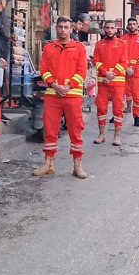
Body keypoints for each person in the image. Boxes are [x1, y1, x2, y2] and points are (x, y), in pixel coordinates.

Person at [32, 16, 88, 178]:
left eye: (66, 27)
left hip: (72, 96)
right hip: (52, 95)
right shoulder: (49, 48)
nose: (63, 30)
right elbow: (44, 70)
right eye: (60, 27)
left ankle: (77, 165)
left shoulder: (79, 48)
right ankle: (48, 164)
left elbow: (81, 72)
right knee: (49, 130)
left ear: (71, 29)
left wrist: (68, 86)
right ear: (56, 28)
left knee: (75, 130)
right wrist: (54, 85)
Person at [92, 19, 128, 145]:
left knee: (118, 109)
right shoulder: (99, 44)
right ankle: (101, 134)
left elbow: (124, 62)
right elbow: (95, 61)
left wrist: (112, 74)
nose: (109, 30)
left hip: (117, 83)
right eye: (107, 28)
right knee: (101, 108)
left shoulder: (122, 44)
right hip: (103, 82)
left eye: (112, 28)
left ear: (116, 29)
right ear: (104, 28)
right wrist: (105, 72)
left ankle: (117, 136)